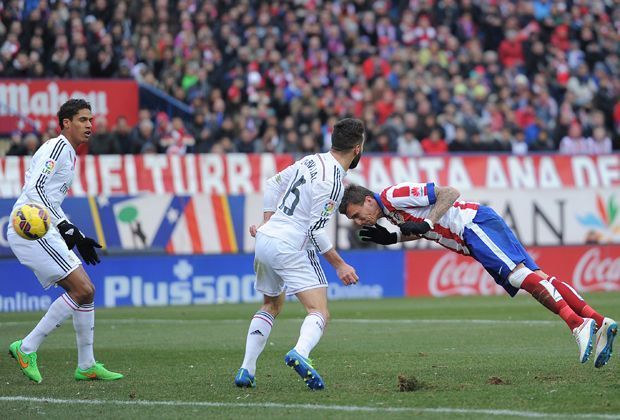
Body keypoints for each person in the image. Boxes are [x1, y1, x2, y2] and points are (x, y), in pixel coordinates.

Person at [338, 182, 617, 368]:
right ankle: (600, 321)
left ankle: (577, 325)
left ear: (367, 200)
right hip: (471, 233)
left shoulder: (392, 196)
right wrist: (395, 237)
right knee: (536, 278)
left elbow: (449, 193)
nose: (358, 221)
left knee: (518, 277)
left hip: (472, 225)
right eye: (353, 220)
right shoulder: (389, 212)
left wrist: (427, 221)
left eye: (356, 214)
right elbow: (427, 230)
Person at [234, 118, 365, 390]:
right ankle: (301, 353)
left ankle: (247, 369)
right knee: (319, 311)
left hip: (266, 239)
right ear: (357, 148)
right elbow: (315, 231)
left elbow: (272, 184)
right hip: (291, 244)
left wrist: (267, 222)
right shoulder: (333, 181)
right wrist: (340, 265)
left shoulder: (310, 161)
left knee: (271, 305)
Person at [7, 99, 123, 383]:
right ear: (66, 123)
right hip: (31, 229)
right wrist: (63, 227)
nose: (89, 126)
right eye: (83, 120)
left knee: (87, 292)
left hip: (42, 226)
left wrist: (76, 234)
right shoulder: (57, 148)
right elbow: (35, 190)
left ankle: (86, 365)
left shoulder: (69, 154)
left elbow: (51, 198)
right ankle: (26, 347)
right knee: (82, 289)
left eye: (91, 120)